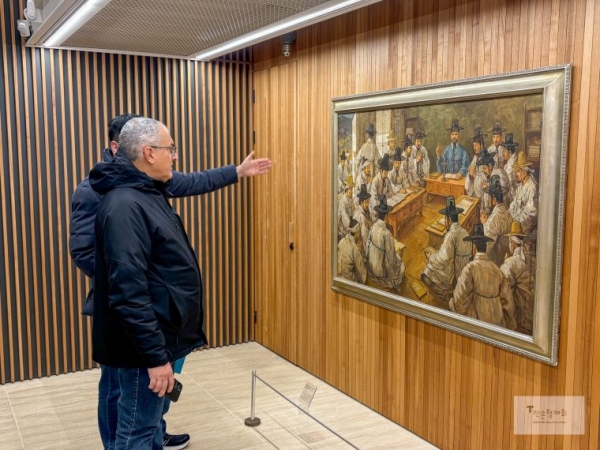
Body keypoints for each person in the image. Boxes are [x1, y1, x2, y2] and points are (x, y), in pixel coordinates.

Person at [69, 114, 272, 450]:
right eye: (170, 149)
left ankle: (151, 434)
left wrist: (236, 172)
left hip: (152, 322)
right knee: (127, 413)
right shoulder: (120, 200)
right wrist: (141, 290)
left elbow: (191, 182)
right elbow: (121, 280)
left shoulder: (147, 185)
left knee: (142, 417)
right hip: (138, 325)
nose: (175, 156)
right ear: (146, 153)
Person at [449, 223, 517, 330]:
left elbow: (459, 300)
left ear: (474, 248)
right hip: (497, 325)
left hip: (477, 324)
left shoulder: (470, 269)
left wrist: (452, 305)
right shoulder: (498, 271)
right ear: (485, 247)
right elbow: (508, 304)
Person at [421, 196, 471, 299]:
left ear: (448, 219)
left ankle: (446, 292)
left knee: (428, 270)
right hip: (464, 272)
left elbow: (443, 259)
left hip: (455, 275)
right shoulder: (464, 232)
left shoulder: (451, 235)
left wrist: (431, 256)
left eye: (445, 219)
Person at [500, 221, 535, 334]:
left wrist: (506, 262)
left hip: (520, 321)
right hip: (533, 319)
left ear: (512, 243)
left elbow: (502, 287)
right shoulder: (533, 258)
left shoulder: (511, 262)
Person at [366, 195, 405, 290]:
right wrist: (398, 257)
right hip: (380, 271)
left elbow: (367, 246)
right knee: (402, 265)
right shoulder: (387, 234)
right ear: (386, 217)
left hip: (371, 266)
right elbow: (391, 259)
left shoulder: (373, 227)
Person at [481, 175, 512, 266]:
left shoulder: (493, 219)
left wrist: (484, 223)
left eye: (489, 197)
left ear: (494, 199)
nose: (488, 200)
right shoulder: (508, 213)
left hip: (496, 261)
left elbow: (486, 247)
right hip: (506, 257)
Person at [508, 151, 538, 236]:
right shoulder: (520, 186)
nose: (516, 174)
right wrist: (509, 215)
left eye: (518, 171)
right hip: (515, 224)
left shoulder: (532, 188)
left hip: (526, 230)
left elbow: (531, 213)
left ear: (524, 173)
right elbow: (514, 204)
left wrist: (516, 221)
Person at [338, 218, 368, 283]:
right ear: (357, 233)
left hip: (338, 279)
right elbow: (363, 277)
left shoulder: (341, 242)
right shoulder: (354, 249)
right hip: (348, 283)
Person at [464, 126, 488, 199]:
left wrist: (474, 175)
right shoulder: (475, 157)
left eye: (476, 145)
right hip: (473, 191)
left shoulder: (487, 158)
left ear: (482, 145)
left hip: (482, 195)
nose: (474, 148)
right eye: (473, 145)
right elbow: (470, 172)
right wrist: (470, 176)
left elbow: (486, 179)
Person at [501, 133, 519, 199]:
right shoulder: (513, 161)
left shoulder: (511, 166)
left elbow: (506, 184)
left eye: (505, 151)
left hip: (512, 196)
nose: (503, 153)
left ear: (510, 152)